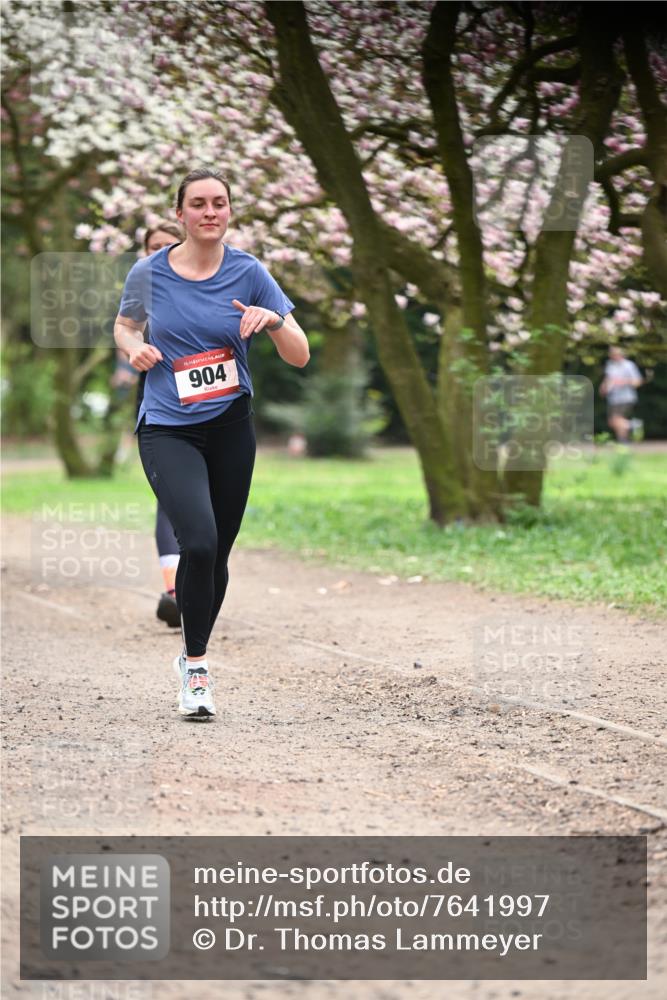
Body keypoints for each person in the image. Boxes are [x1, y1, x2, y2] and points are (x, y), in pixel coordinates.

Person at [114, 167, 309, 719]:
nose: (209, 212)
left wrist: (273, 322)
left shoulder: (249, 272)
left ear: (229, 211)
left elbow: (300, 353)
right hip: (168, 427)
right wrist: (134, 348)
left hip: (229, 427)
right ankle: (196, 667)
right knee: (196, 542)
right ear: (179, 214)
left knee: (218, 552)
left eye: (218, 203)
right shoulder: (149, 271)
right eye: (197, 203)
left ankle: (191, 653)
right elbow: (124, 325)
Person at [112, 222, 184, 628]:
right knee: (168, 494)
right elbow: (125, 331)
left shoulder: (205, 285)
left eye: (168, 246)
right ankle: (174, 590)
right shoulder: (140, 290)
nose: (160, 253)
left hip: (213, 407)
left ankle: (200, 578)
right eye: (153, 247)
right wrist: (129, 357)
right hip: (159, 403)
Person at [600, 345, 643, 443]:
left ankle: (632, 427)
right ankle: (624, 441)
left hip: (626, 397)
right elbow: (608, 379)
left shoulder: (629, 365)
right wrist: (603, 387)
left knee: (617, 419)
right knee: (613, 422)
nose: (613, 356)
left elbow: (638, 381)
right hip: (613, 398)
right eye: (611, 354)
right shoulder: (610, 365)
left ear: (621, 354)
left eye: (615, 354)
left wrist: (622, 382)